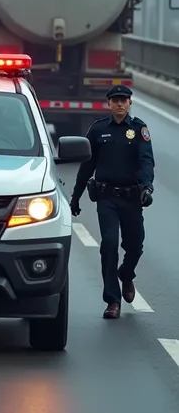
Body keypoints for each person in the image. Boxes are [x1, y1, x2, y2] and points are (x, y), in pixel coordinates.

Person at [70, 84, 154, 320]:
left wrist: (148, 186)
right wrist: (75, 197)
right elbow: (87, 166)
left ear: (130, 103)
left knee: (135, 246)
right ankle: (112, 301)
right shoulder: (98, 130)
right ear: (108, 104)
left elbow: (147, 160)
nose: (119, 103)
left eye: (123, 100)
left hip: (132, 197)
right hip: (106, 198)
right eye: (115, 100)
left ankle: (126, 275)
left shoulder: (139, 129)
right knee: (108, 244)